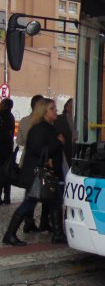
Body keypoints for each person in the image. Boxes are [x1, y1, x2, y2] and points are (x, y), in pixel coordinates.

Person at [2, 98, 65, 246]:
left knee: (55, 202)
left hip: (47, 173)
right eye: (52, 108)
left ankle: (58, 234)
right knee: (29, 204)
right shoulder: (39, 128)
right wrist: (58, 142)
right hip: (36, 174)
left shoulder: (50, 127)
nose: (55, 110)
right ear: (43, 111)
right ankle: (10, 234)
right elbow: (38, 150)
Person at [15, 94, 44, 232]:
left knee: (29, 193)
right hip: (37, 163)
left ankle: (28, 220)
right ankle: (28, 222)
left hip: (25, 161)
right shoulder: (40, 122)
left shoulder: (24, 121)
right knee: (34, 195)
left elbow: (19, 141)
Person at [0, 98, 16, 204]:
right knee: (6, 172)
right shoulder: (11, 117)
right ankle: (7, 196)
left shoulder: (1, 115)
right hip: (8, 148)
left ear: (4, 105)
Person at [54, 97, 74, 164]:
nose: (74, 109)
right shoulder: (58, 119)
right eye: (71, 107)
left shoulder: (84, 121)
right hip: (64, 153)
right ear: (67, 107)